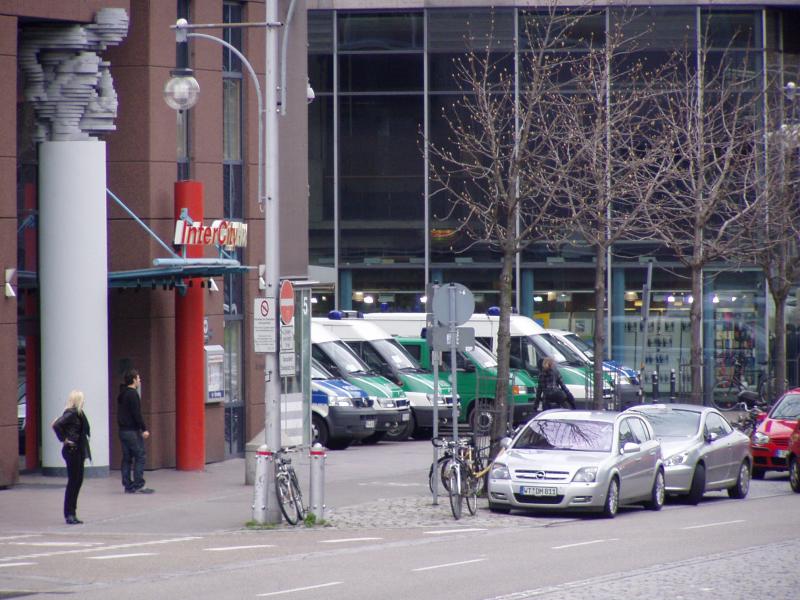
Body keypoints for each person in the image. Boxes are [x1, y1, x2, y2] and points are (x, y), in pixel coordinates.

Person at [52, 390, 92, 525]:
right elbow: (56, 424)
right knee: (73, 482)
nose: (84, 401)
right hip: (72, 450)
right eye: (82, 399)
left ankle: (72, 512)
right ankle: (69, 513)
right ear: (77, 400)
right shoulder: (71, 413)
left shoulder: (78, 413)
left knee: (78, 481)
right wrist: (64, 439)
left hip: (78, 449)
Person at [117, 369, 154, 494]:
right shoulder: (133, 394)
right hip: (132, 431)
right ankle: (139, 484)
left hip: (122, 431)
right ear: (133, 380)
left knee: (127, 458)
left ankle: (127, 484)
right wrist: (144, 429)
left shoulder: (122, 394)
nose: (139, 380)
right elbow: (137, 414)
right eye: (138, 378)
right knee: (140, 456)